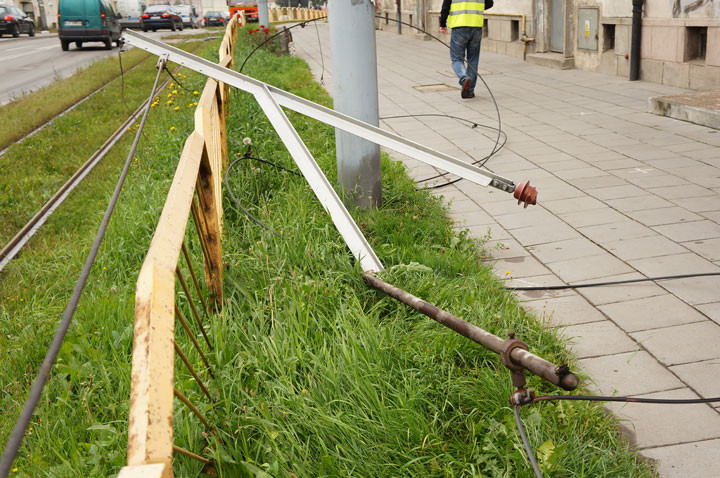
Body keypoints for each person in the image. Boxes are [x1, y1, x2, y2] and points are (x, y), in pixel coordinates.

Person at [439, 0, 493, 99]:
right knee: (473, 60)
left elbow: (445, 8)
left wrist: (442, 24)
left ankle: (464, 79)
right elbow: (490, 3)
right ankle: (470, 91)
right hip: (476, 27)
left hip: (459, 27)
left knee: (457, 58)